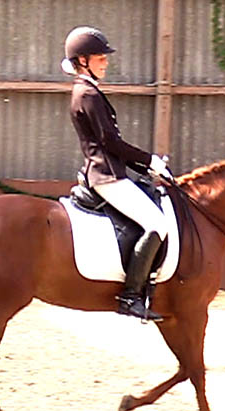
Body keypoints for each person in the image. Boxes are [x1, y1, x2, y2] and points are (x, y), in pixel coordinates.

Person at [61, 26, 171, 322]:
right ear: (83, 61)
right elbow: (111, 143)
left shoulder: (88, 91)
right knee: (157, 224)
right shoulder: (87, 94)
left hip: (110, 171)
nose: (106, 62)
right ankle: (130, 296)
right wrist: (150, 160)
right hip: (106, 177)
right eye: (100, 57)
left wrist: (146, 166)